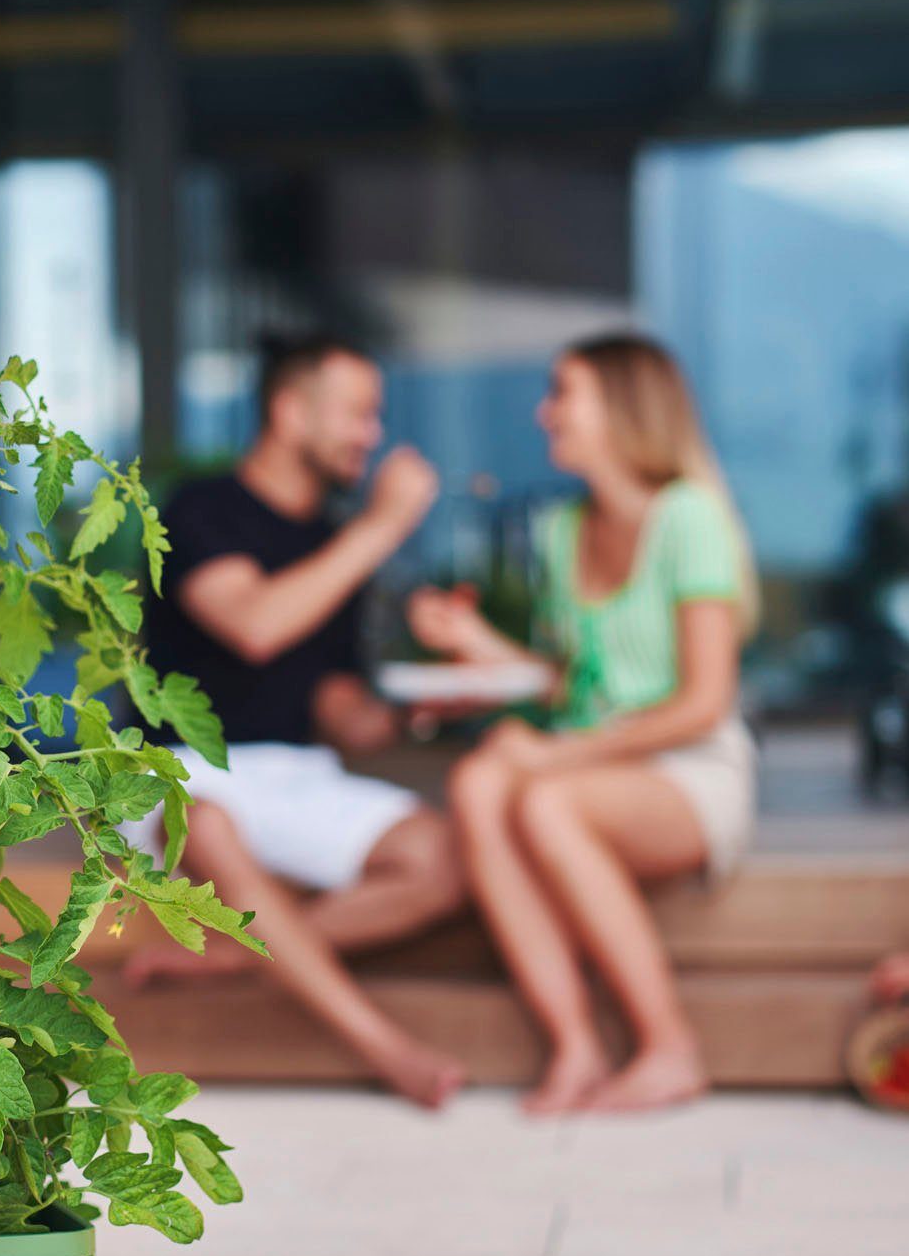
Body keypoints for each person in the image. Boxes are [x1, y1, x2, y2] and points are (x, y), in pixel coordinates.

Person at [410, 333, 757, 1115]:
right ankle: (574, 1046)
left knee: (542, 798)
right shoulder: (563, 530)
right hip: (598, 761)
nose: (543, 412)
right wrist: (480, 654)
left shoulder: (688, 518)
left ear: (623, 409)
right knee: (478, 779)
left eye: (563, 393)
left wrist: (558, 753)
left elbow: (702, 701)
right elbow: (581, 682)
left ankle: (672, 1048)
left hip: (691, 769)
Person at [129, 334, 466, 1108]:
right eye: (359, 414)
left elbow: (339, 711)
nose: (372, 435)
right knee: (207, 823)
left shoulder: (330, 542)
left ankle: (232, 957)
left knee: (446, 855)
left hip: (296, 773)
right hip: (180, 767)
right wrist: (381, 527)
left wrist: (414, 711)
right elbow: (254, 623)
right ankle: (388, 1048)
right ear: (289, 411)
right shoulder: (201, 508)